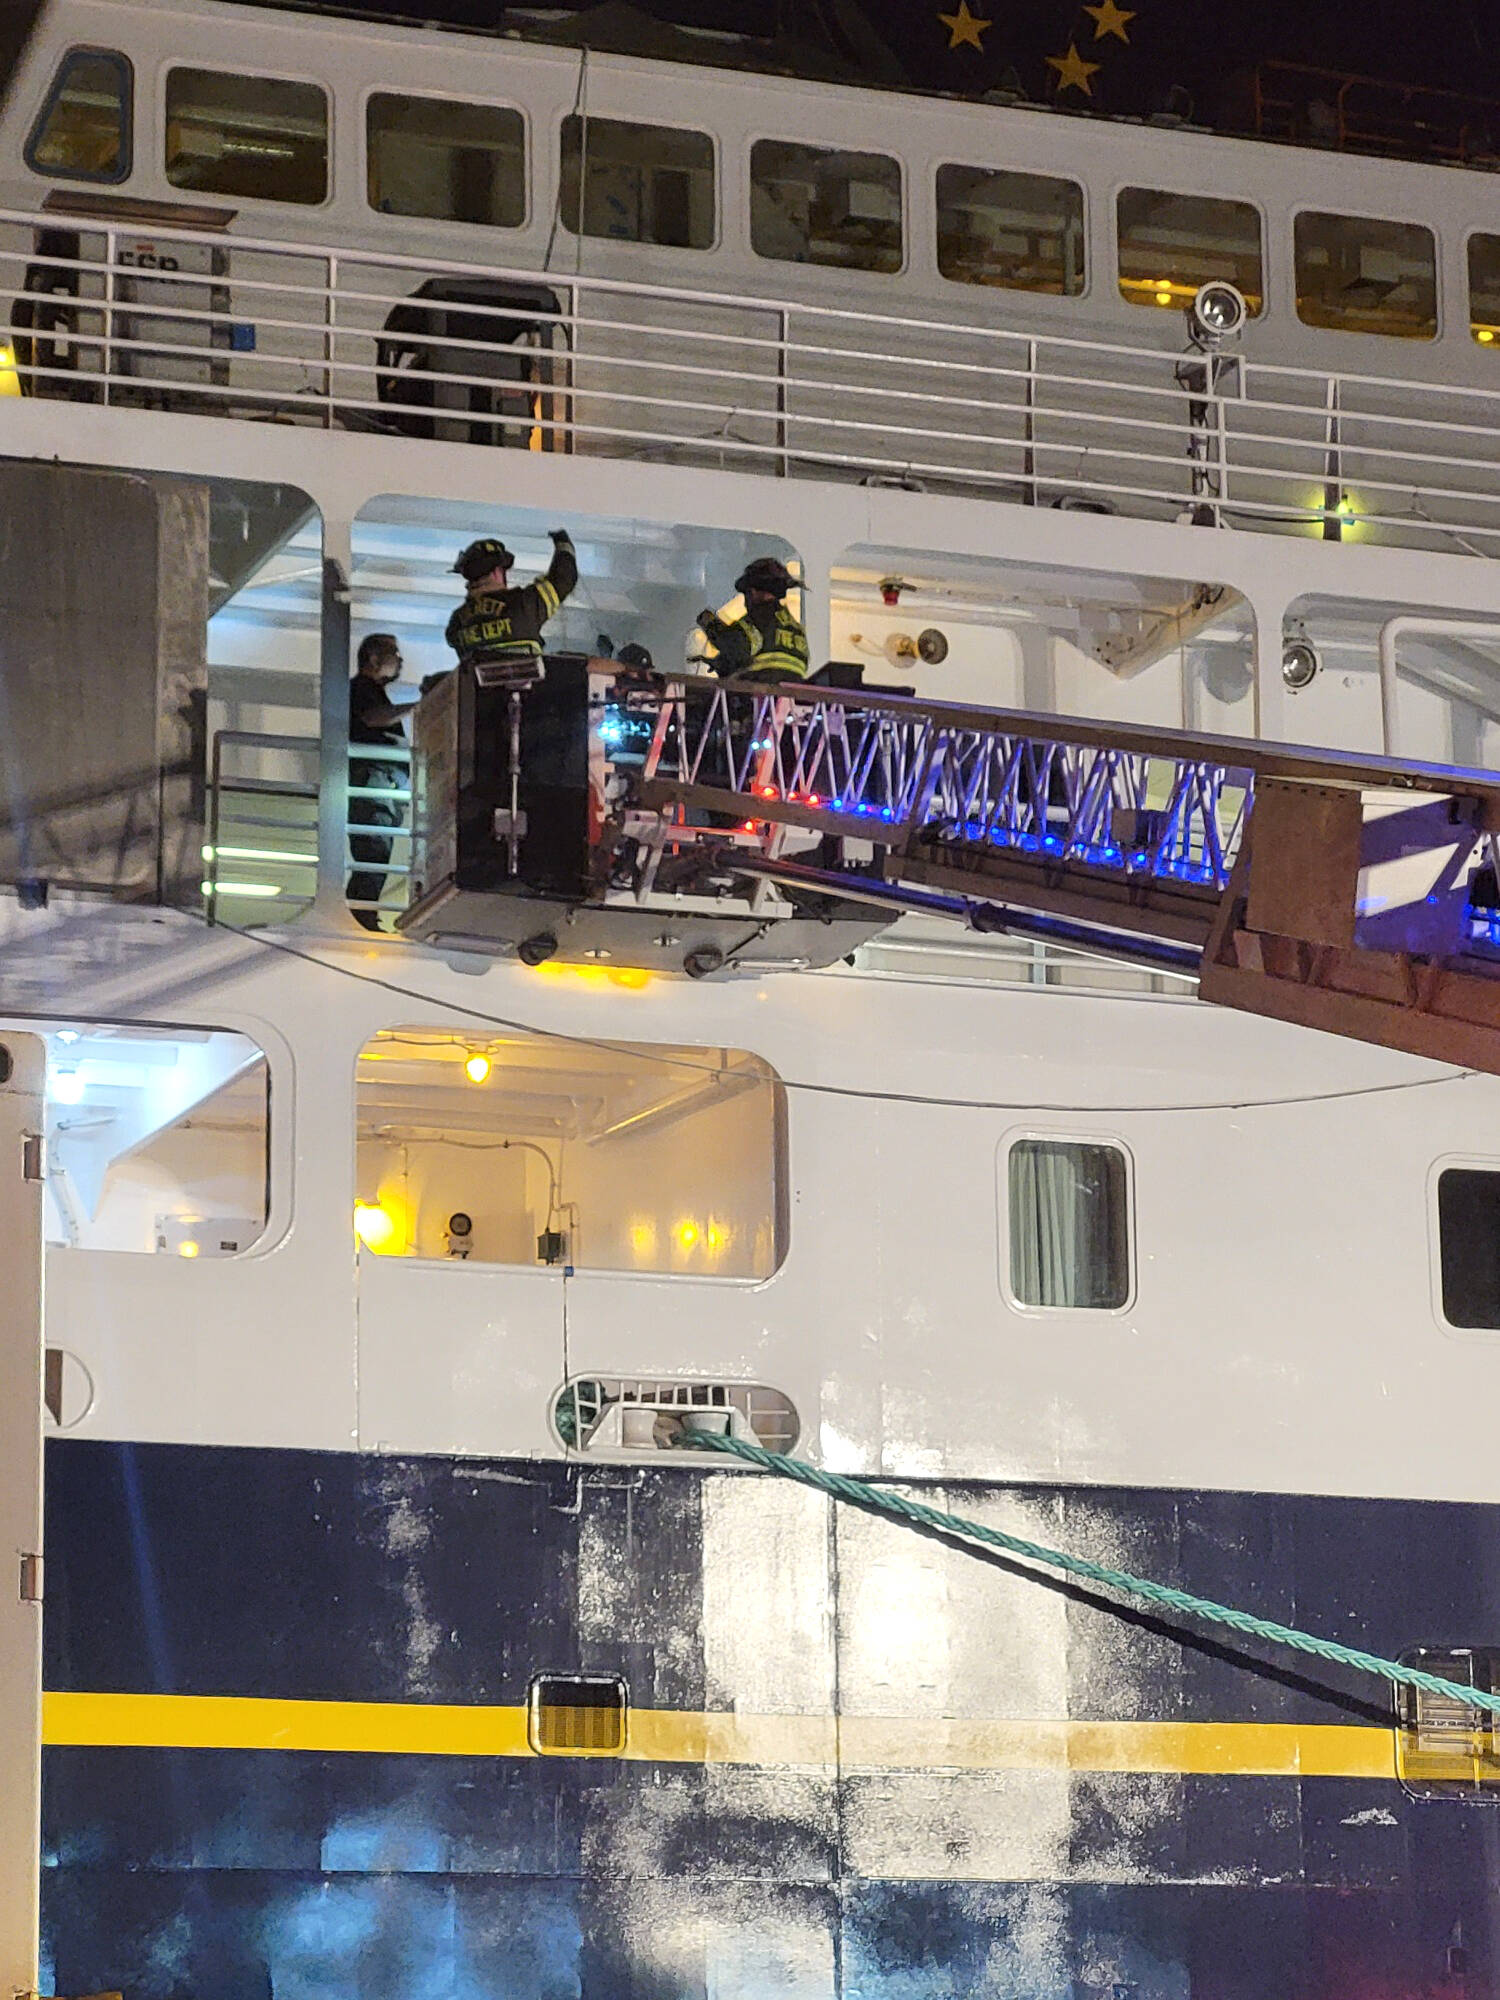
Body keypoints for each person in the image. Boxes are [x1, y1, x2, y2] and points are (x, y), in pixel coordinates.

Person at [445, 529, 578, 682]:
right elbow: (564, 578)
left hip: (480, 703)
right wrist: (562, 541)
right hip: (529, 697)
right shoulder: (523, 604)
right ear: (497, 572)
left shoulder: (457, 623)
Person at [347, 632, 414, 932]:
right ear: (374, 659)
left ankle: (365, 913)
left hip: (384, 786)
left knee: (378, 854)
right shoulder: (362, 689)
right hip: (375, 784)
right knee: (373, 852)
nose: (400, 660)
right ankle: (361, 916)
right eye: (394, 654)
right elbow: (374, 718)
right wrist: (416, 706)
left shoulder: (370, 692)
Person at [696, 557, 810, 683]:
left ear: (753, 592)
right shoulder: (796, 628)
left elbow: (733, 645)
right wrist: (722, 663)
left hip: (761, 695)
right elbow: (757, 652)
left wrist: (710, 623)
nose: (746, 602)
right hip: (787, 698)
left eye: (746, 594)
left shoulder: (760, 618)